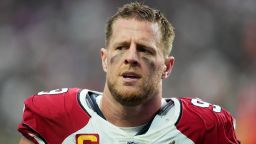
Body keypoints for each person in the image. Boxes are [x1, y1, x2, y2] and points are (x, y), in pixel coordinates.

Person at [18, 2, 240, 144]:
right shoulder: (56, 116)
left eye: (144, 50)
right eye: (122, 46)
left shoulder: (204, 128)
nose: (131, 57)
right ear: (104, 59)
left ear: (167, 67)